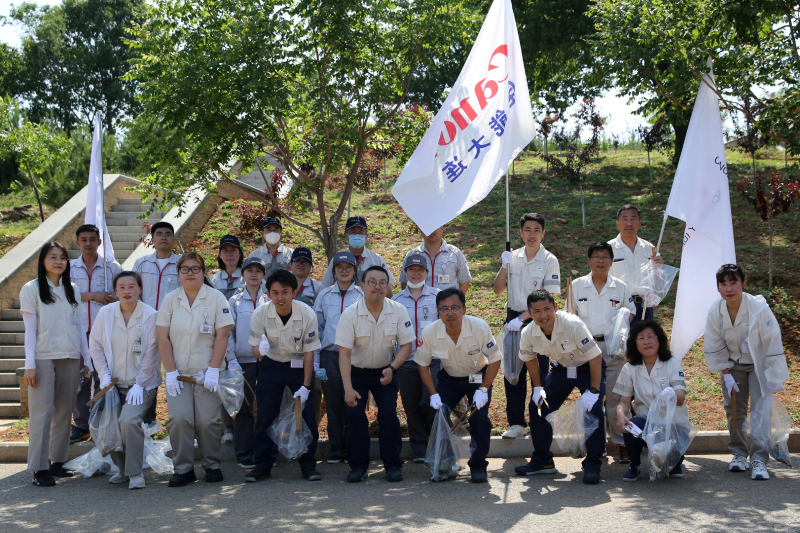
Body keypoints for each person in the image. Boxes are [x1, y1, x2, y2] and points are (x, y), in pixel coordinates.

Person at [704, 264, 789, 481]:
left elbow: (772, 340)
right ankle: (739, 454)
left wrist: (773, 375)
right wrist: (726, 373)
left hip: (758, 365)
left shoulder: (758, 308)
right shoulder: (716, 310)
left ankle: (759, 458)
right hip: (732, 365)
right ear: (718, 288)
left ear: (743, 284)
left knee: (760, 411)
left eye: (733, 283)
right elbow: (714, 343)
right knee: (734, 410)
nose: (729, 288)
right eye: (723, 284)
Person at [156, 253, 234, 487]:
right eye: (185, 269)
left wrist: (213, 370)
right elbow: (162, 337)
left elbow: (223, 335)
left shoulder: (216, 298)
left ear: (203, 272)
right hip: (178, 375)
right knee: (179, 419)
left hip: (206, 375)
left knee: (207, 422)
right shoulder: (170, 300)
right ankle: (184, 469)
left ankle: (212, 465)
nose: (190, 274)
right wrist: (170, 372)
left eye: (195, 269)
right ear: (178, 273)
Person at [514, 289, 605, 484]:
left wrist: (594, 391)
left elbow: (595, 356)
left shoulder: (572, 324)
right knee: (537, 406)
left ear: (555, 307)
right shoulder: (528, 332)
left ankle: (593, 462)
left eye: (547, 309)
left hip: (589, 368)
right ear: (530, 313)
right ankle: (543, 460)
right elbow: (529, 359)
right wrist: (537, 388)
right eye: (536, 311)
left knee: (594, 409)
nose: (543, 315)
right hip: (562, 369)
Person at [21, 242, 93, 486]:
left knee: (64, 411)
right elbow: (29, 330)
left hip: (71, 357)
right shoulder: (31, 289)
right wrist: (29, 364)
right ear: (43, 261)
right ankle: (39, 469)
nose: (59, 261)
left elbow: (80, 326)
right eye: (53, 257)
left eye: (63, 257)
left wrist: (87, 357)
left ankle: (57, 462)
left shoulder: (72, 288)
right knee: (42, 413)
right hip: (42, 357)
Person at [335, 265, 415, 482]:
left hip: (386, 371)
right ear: (362, 286)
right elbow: (344, 354)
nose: (377, 287)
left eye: (382, 283)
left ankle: (392, 465)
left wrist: (392, 368)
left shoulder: (398, 310)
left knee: (388, 414)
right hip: (356, 372)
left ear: (388, 286)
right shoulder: (350, 314)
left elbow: (407, 345)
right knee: (354, 416)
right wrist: (348, 388)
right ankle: (358, 466)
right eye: (372, 282)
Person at [244, 270, 322, 483]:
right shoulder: (260, 314)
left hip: (299, 365)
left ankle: (308, 465)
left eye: (285, 292)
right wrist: (261, 349)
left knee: (306, 415)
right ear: (268, 294)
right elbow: (255, 353)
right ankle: (262, 465)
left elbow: (309, 353)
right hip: (272, 364)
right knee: (266, 415)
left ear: (294, 293)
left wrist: (306, 386)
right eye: (275, 292)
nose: (280, 297)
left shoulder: (307, 314)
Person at [416, 288, 501, 483]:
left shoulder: (479, 327)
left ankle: (478, 465)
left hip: (477, 379)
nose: (450, 312)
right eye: (444, 308)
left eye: (455, 307)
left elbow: (495, 359)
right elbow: (423, 364)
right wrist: (433, 394)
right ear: (438, 311)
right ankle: (446, 463)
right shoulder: (430, 332)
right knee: (438, 414)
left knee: (480, 418)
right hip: (449, 378)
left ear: (464, 309)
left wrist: (484, 390)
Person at [89, 271, 161, 489]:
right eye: (122, 287)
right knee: (107, 426)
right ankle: (122, 469)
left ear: (140, 289)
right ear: (115, 291)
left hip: (142, 385)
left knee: (128, 421)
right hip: (112, 383)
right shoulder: (106, 313)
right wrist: (104, 377)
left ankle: (135, 472)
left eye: (132, 286)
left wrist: (139, 384)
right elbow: (96, 346)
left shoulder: (150, 315)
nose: (127, 291)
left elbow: (151, 354)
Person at [492, 213, 560, 440]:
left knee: (539, 374)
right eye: (527, 230)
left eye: (536, 230)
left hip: (539, 321)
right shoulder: (513, 257)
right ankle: (517, 423)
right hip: (512, 321)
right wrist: (504, 266)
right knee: (513, 373)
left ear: (543, 233)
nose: (532, 234)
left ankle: (540, 422)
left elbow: (549, 300)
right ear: (521, 233)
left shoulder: (550, 260)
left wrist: (523, 318)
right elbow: (498, 289)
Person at [570, 242, 635, 463]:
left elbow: (630, 314)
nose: (600, 260)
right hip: (586, 348)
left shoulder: (621, 287)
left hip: (613, 347)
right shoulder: (576, 286)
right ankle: (595, 445)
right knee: (592, 396)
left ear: (611, 261)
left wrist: (619, 336)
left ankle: (621, 442)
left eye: (605, 257)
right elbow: (570, 318)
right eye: (596, 256)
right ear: (589, 261)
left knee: (616, 395)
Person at [614, 320, 689, 481]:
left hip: (671, 422)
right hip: (645, 420)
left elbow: (681, 398)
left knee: (672, 464)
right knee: (630, 426)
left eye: (650, 337)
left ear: (659, 340)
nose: (646, 341)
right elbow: (624, 402)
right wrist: (621, 415)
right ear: (634, 344)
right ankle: (635, 465)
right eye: (641, 338)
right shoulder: (629, 368)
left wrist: (669, 395)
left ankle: (675, 462)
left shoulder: (672, 364)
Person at [68, 224, 122, 444]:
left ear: (100, 242)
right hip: (77, 331)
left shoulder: (112, 267)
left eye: (93, 239)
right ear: (77, 242)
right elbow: (65, 296)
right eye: (84, 239)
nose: (88, 243)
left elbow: (122, 293)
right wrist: (93, 295)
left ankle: (101, 422)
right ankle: (81, 425)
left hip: (104, 332)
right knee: (80, 379)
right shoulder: (69, 268)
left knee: (103, 378)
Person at [313, 251, 364, 464]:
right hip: (329, 359)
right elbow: (316, 329)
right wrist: (316, 360)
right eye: (339, 267)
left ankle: (353, 448)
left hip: (355, 358)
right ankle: (336, 450)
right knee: (332, 403)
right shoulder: (324, 295)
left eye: (348, 267)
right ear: (333, 271)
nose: (344, 270)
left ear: (354, 271)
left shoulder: (362, 295)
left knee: (353, 404)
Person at [391, 252, 441, 462]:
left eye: (420, 269)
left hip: (432, 361)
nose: (416, 273)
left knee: (431, 402)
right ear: (406, 272)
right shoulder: (396, 300)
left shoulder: (438, 296)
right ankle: (419, 447)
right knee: (411, 405)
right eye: (412, 269)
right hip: (406, 361)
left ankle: (435, 443)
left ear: (426, 273)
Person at [133, 221, 181, 429]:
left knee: (176, 369)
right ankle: (147, 420)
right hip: (146, 327)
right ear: (152, 239)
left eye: (168, 234)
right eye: (159, 234)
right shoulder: (141, 264)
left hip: (175, 327)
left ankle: (179, 418)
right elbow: (134, 293)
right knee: (147, 371)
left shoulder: (182, 264)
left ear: (173, 239)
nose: (163, 237)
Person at [224, 257, 268, 469]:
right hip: (244, 363)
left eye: (257, 271)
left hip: (268, 363)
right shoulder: (234, 301)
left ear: (263, 275)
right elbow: (228, 333)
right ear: (243, 274)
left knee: (268, 408)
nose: (253, 274)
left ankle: (267, 451)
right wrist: (232, 359)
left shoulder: (268, 301)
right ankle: (244, 453)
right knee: (244, 408)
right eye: (249, 270)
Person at [607, 204, 663, 323]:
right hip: (618, 305)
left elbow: (658, 284)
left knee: (642, 340)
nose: (629, 223)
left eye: (633, 219)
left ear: (639, 223)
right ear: (617, 224)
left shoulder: (650, 248)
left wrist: (660, 268)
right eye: (625, 219)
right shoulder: (608, 249)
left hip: (645, 306)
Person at [321, 216, 394, 297]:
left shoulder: (376, 260)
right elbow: (326, 286)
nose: (357, 235)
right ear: (346, 235)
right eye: (352, 232)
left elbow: (388, 290)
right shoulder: (338, 259)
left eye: (361, 232)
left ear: (366, 235)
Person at [399, 225, 471, 292]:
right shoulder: (412, 255)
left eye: (435, 226)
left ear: (442, 228)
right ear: (421, 231)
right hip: (421, 305)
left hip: (447, 304)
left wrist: (457, 302)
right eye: (427, 227)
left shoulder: (455, 253)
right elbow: (405, 283)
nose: (431, 230)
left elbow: (464, 281)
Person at [209, 235, 246, 300]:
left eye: (233, 250)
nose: (229, 254)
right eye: (225, 250)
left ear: (240, 253)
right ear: (220, 254)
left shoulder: (249, 278)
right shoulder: (213, 281)